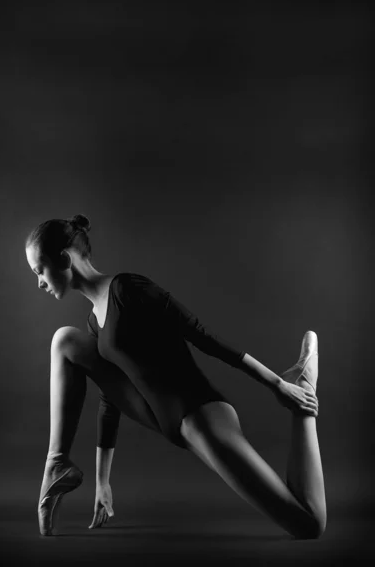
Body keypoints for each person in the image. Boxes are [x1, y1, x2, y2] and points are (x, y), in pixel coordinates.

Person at [24, 214, 326, 540]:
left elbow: (203, 337)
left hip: (201, 418)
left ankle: (302, 396)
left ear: (65, 259)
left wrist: (278, 386)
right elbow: (109, 399)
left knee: (307, 524)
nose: (39, 281)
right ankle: (56, 465)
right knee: (65, 342)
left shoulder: (127, 289)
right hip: (168, 422)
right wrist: (102, 482)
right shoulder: (94, 323)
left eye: (39, 270)